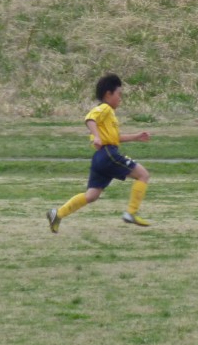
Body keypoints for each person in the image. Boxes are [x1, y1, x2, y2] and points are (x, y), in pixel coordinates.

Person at [48, 73, 152, 232]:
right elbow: (89, 118)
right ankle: (131, 213)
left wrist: (136, 137)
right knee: (143, 175)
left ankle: (58, 214)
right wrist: (96, 136)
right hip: (108, 154)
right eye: (119, 94)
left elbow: (114, 138)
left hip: (100, 158)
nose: (120, 98)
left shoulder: (109, 114)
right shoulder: (105, 108)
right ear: (108, 94)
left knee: (91, 195)